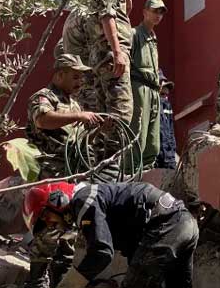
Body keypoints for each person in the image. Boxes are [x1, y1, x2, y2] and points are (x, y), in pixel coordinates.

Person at [24, 53, 104, 288]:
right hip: (52, 176)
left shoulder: (74, 104)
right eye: (75, 76)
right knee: (49, 230)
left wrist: (97, 127)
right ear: (59, 75)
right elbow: (43, 120)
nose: (80, 82)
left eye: (81, 77)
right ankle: (37, 281)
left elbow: (79, 139)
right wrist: (79, 116)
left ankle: (60, 280)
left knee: (69, 235)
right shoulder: (43, 97)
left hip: (74, 175)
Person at [23, 182, 199, 288]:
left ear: (57, 200)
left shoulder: (83, 201)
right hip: (183, 224)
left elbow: (102, 252)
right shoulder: (94, 199)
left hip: (167, 224)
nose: (50, 224)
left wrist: (71, 284)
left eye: (46, 217)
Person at [86, 0, 138, 124]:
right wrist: (117, 52)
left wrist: (126, 8)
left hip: (101, 56)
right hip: (111, 55)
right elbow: (106, 16)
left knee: (104, 113)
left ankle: (105, 150)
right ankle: (116, 150)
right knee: (121, 113)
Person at [130, 0, 166, 169]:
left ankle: (146, 173)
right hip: (139, 87)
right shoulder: (134, 34)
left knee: (153, 142)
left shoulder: (154, 37)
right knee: (139, 136)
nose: (158, 15)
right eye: (155, 10)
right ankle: (131, 174)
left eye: (161, 12)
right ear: (145, 12)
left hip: (153, 90)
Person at [158, 68, 177, 169]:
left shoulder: (167, 107)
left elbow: (171, 134)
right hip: (156, 161)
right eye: (162, 94)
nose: (165, 98)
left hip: (169, 158)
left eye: (166, 95)